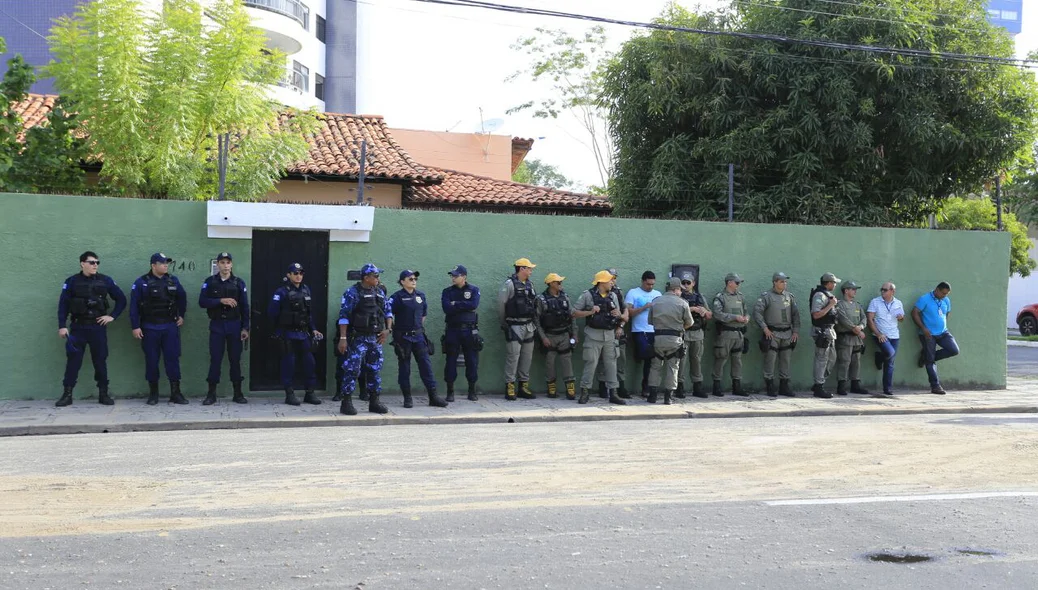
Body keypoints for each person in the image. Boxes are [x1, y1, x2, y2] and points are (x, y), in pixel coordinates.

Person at [55, 251, 127, 407]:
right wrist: (62, 326)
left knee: (100, 361)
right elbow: (63, 305)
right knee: (73, 361)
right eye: (92, 262)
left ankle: (103, 394)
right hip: (78, 328)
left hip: (97, 327)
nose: (95, 265)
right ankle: (67, 394)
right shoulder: (72, 281)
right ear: (82, 263)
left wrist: (112, 316)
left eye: (97, 262)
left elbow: (121, 299)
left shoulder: (105, 280)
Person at [130, 253, 188, 405]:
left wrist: (181, 315)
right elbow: (134, 306)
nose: (165, 265)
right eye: (162, 263)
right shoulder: (142, 282)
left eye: (166, 263)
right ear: (153, 265)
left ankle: (176, 393)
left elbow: (182, 297)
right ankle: (153, 394)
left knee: (172, 359)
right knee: (152, 360)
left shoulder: (172, 280)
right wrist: (135, 326)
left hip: (169, 326)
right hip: (150, 327)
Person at [337, 264, 394, 414]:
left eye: (378, 276)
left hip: (375, 338)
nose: (378, 279)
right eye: (375, 276)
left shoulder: (380, 292)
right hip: (358, 338)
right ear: (366, 278)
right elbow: (344, 317)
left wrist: (388, 330)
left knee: (375, 370)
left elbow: (388, 312)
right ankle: (346, 402)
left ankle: (374, 401)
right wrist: (343, 338)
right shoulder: (352, 293)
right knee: (352, 369)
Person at [389, 269, 448, 409]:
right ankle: (407, 398)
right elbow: (388, 315)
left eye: (415, 279)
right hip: (403, 337)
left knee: (426, 366)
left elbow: (423, 314)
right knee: (405, 368)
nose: (414, 281)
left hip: (419, 336)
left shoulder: (420, 296)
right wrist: (391, 330)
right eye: (410, 279)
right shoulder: (396, 297)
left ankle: (433, 397)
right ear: (402, 281)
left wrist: (418, 328)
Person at [198, 252, 249, 405]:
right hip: (217, 325)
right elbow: (202, 302)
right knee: (215, 359)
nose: (225, 265)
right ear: (218, 264)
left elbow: (245, 307)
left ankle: (238, 393)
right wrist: (221, 300)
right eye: (222, 262)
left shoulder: (239, 283)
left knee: (235, 360)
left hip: (234, 325)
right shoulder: (210, 282)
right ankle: (211, 393)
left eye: (228, 262)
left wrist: (245, 328)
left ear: (231, 264)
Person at [268, 262, 322, 406]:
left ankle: (309, 393)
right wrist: (280, 328)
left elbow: (308, 313)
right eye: (295, 273)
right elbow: (272, 313)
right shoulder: (281, 292)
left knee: (310, 363)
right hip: (287, 334)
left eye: (300, 273)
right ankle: (289, 393)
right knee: (289, 364)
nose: (298, 276)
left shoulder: (306, 290)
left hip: (304, 334)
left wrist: (313, 329)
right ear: (289, 275)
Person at [573, 270, 625, 405]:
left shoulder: (613, 295)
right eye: (609, 280)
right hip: (593, 334)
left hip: (609, 335)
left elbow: (619, 313)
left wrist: (617, 314)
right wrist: (590, 311)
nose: (612, 282)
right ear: (601, 282)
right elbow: (574, 313)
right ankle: (585, 392)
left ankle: (613, 393)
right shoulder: (587, 295)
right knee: (590, 363)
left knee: (611, 364)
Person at [646, 277, 694, 404]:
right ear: (676, 289)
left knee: (655, 366)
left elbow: (650, 321)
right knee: (673, 367)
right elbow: (689, 323)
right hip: (674, 339)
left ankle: (652, 395)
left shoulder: (656, 301)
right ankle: (668, 397)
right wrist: (678, 328)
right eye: (680, 290)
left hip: (658, 339)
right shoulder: (683, 303)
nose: (681, 292)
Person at [752, 272, 800, 397]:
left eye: (785, 281)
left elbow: (795, 314)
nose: (784, 283)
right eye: (781, 281)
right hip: (772, 333)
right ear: (775, 282)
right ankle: (770, 385)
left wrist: (795, 331)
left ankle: (784, 386)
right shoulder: (766, 296)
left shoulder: (789, 297)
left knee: (786, 360)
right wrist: (764, 328)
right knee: (770, 359)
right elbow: (757, 313)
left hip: (787, 333)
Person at [498, 257, 538, 400]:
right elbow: (501, 305)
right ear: (521, 269)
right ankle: (510, 386)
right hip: (514, 325)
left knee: (527, 357)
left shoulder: (530, 285)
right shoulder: (509, 284)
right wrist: (504, 323)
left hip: (528, 325)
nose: (531, 271)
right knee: (513, 357)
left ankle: (523, 386)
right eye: (529, 268)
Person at [534, 272, 577, 399]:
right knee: (550, 363)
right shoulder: (541, 299)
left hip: (564, 334)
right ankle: (551, 388)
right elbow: (537, 320)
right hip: (550, 335)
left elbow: (572, 316)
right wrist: (543, 337)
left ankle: (570, 388)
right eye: (558, 282)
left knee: (567, 361)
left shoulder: (565, 297)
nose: (561, 284)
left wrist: (574, 334)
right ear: (551, 284)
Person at [442, 265, 481, 401]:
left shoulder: (473, 290)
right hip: (453, 329)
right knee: (451, 360)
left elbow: (473, 305)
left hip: (469, 330)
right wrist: (463, 304)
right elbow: (447, 308)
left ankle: (472, 390)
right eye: (452, 275)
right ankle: (450, 391)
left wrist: (456, 304)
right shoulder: (447, 292)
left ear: (464, 276)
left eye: (456, 275)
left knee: (471, 360)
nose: (453, 278)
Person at [912, 281, 959, 395]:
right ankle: (935, 386)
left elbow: (946, 313)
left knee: (954, 350)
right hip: (928, 334)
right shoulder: (925, 299)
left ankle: (926, 357)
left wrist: (943, 325)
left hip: (943, 333)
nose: (945, 296)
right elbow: (914, 313)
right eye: (943, 293)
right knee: (931, 361)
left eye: (947, 294)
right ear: (937, 290)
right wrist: (923, 328)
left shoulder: (946, 300)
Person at [711, 273, 749, 397]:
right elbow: (717, 314)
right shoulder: (720, 297)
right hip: (725, 333)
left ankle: (736, 386)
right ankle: (716, 386)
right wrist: (734, 317)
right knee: (721, 358)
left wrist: (746, 318)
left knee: (737, 360)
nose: (739, 285)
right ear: (729, 283)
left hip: (739, 333)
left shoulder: (740, 297)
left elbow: (746, 311)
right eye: (737, 283)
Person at [626, 271, 662, 397]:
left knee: (651, 360)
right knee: (646, 355)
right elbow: (628, 312)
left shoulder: (658, 294)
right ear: (642, 281)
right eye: (648, 284)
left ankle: (646, 387)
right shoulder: (633, 293)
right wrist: (644, 307)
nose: (650, 287)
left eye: (652, 284)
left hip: (654, 330)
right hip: (639, 330)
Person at [866, 282, 904, 396]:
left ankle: (887, 388)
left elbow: (901, 319)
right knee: (890, 353)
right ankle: (879, 357)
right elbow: (870, 319)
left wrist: (901, 318)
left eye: (885, 290)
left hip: (894, 336)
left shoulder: (898, 303)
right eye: (881, 289)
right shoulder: (875, 302)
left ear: (892, 291)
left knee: (890, 362)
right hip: (881, 335)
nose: (882, 291)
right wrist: (878, 334)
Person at [596, 268, 629, 397]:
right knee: (603, 360)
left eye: (614, 278)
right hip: (603, 331)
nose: (613, 280)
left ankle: (621, 387)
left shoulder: (618, 292)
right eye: (611, 278)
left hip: (617, 330)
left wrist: (621, 326)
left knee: (621, 358)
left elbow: (625, 311)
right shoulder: (596, 292)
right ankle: (603, 386)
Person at [834, 280, 869, 396]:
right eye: (853, 289)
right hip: (845, 337)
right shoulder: (840, 304)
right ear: (846, 290)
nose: (855, 292)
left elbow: (864, 318)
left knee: (856, 362)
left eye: (855, 289)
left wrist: (861, 326)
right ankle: (842, 385)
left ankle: (855, 384)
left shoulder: (857, 305)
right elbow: (843, 320)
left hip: (856, 339)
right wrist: (856, 329)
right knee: (844, 361)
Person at [809, 272, 840, 399]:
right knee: (821, 359)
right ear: (828, 283)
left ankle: (819, 381)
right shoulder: (819, 295)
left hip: (829, 330)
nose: (835, 285)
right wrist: (831, 305)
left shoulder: (828, 295)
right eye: (834, 282)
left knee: (831, 358)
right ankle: (818, 386)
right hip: (822, 331)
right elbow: (816, 314)